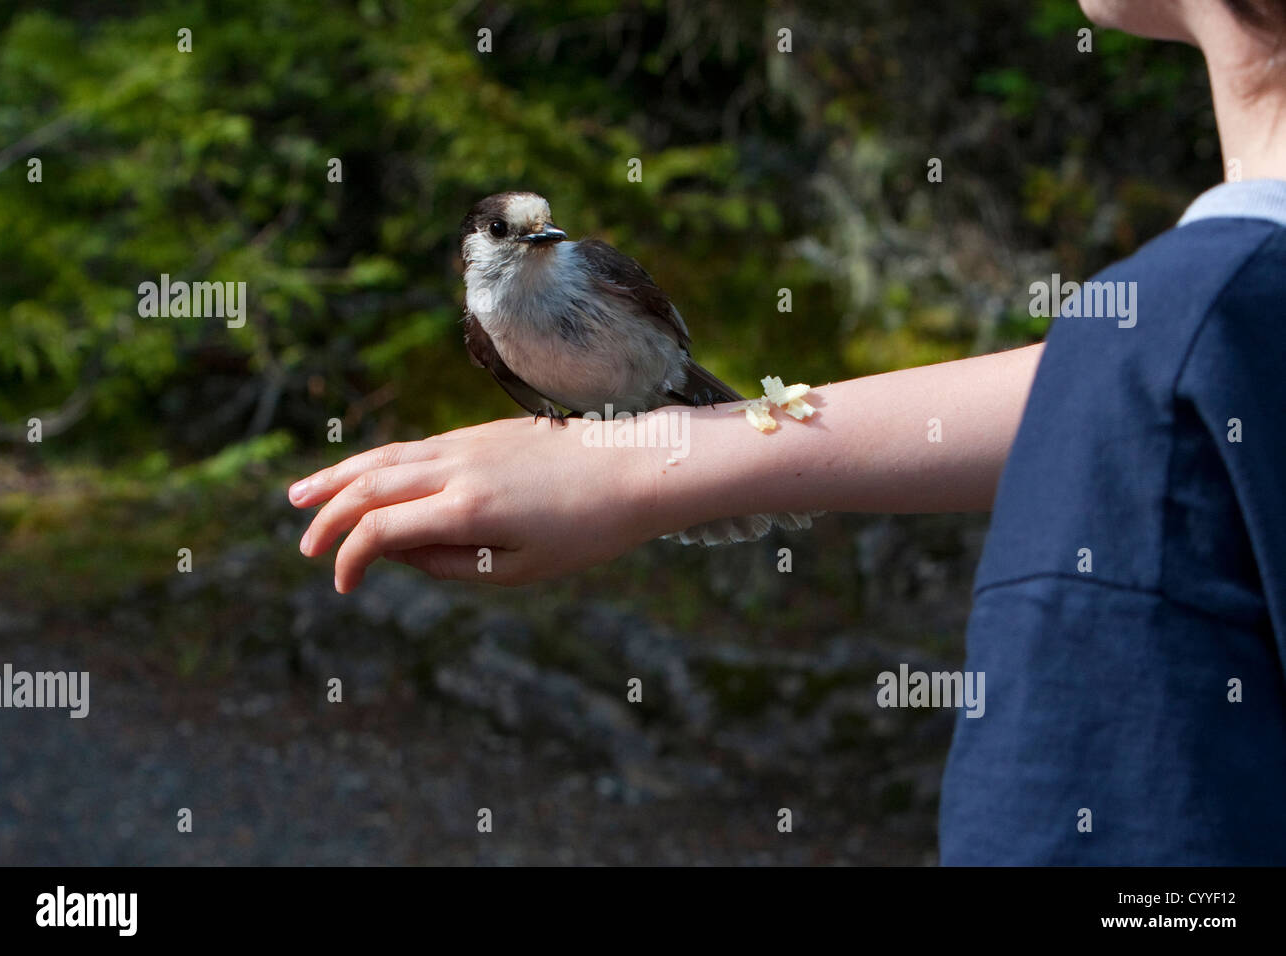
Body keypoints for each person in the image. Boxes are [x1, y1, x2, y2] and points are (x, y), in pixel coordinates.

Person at [289, 0, 1286, 864]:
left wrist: (650, 458)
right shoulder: (1200, 315)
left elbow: (1130, 385)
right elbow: (1109, 388)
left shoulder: (1189, 311)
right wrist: (647, 467)